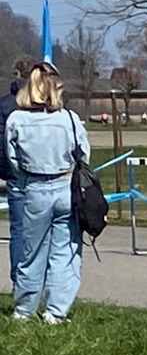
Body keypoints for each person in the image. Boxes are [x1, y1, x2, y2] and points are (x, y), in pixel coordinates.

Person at [5, 62, 87, 324]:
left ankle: (24, 309)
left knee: (32, 253)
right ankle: (56, 311)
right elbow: (84, 155)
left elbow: (13, 159)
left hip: (35, 188)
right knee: (66, 252)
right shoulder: (69, 119)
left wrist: (27, 177)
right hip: (66, 186)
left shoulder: (16, 119)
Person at [3, 57, 31, 293]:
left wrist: (6, 170)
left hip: (15, 175)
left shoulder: (4, 105)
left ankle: (19, 282)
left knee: (19, 230)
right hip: (45, 174)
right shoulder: (45, 104)